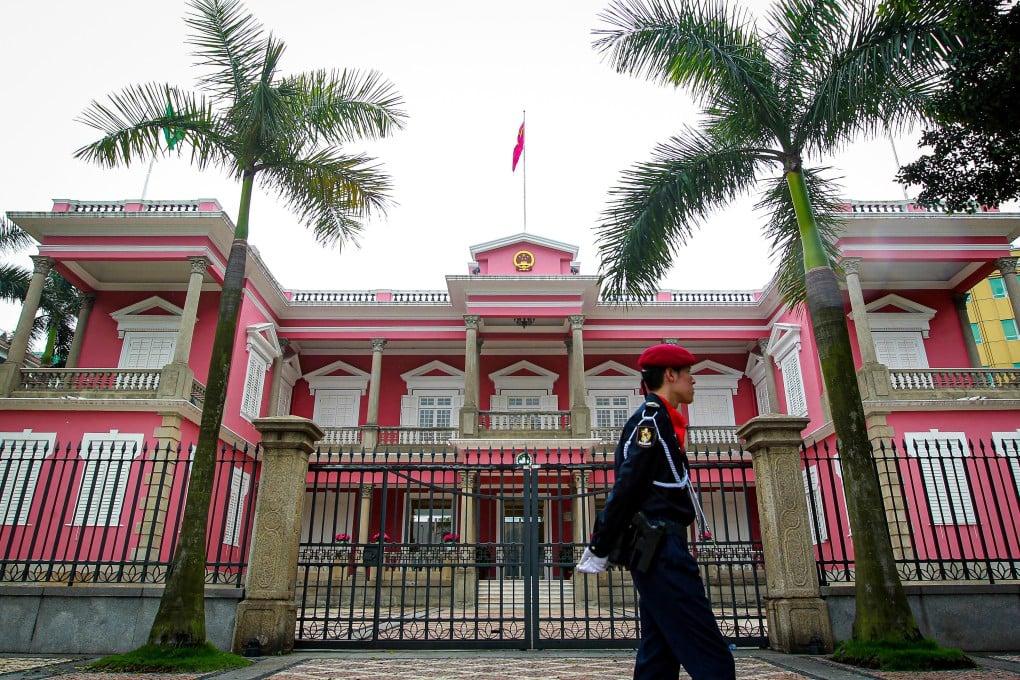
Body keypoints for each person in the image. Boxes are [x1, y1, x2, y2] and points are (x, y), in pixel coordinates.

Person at [576, 343, 735, 680]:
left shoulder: (663, 420)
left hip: (662, 546)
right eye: (689, 373)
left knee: (659, 653)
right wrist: (601, 543)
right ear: (670, 374)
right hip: (661, 549)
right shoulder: (650, 421)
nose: (694, 381)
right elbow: (628, 486)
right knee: (710, 654)